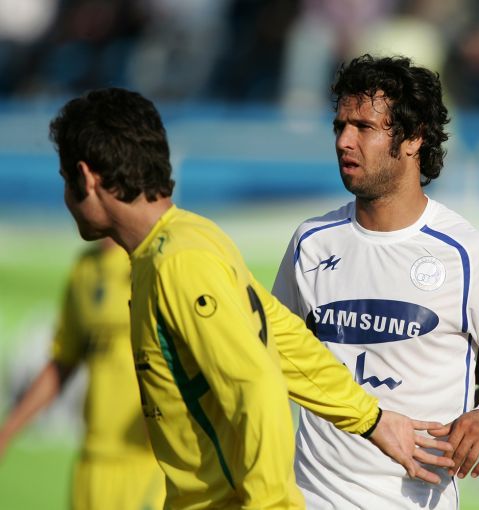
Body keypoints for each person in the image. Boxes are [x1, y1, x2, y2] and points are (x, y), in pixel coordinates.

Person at [48, 87, 453, 509]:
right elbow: (286, 343)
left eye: (64, 178)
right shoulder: (188, 238)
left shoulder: (180, 262)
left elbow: (256, 388)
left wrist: (272, 504)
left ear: (86, 177)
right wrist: (370, 419)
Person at [271, 54, 479, 509]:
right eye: (340, 126)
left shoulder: (464, 252)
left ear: (414, 137)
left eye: (364, 127)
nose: (344, 141)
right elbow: (272, 355)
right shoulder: (311, 242)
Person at [0, 238, 165, 510]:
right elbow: (62, 361)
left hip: (146, 460)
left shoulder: (151, 262)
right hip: (91, 462)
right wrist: (7, 431)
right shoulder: (84, 269)